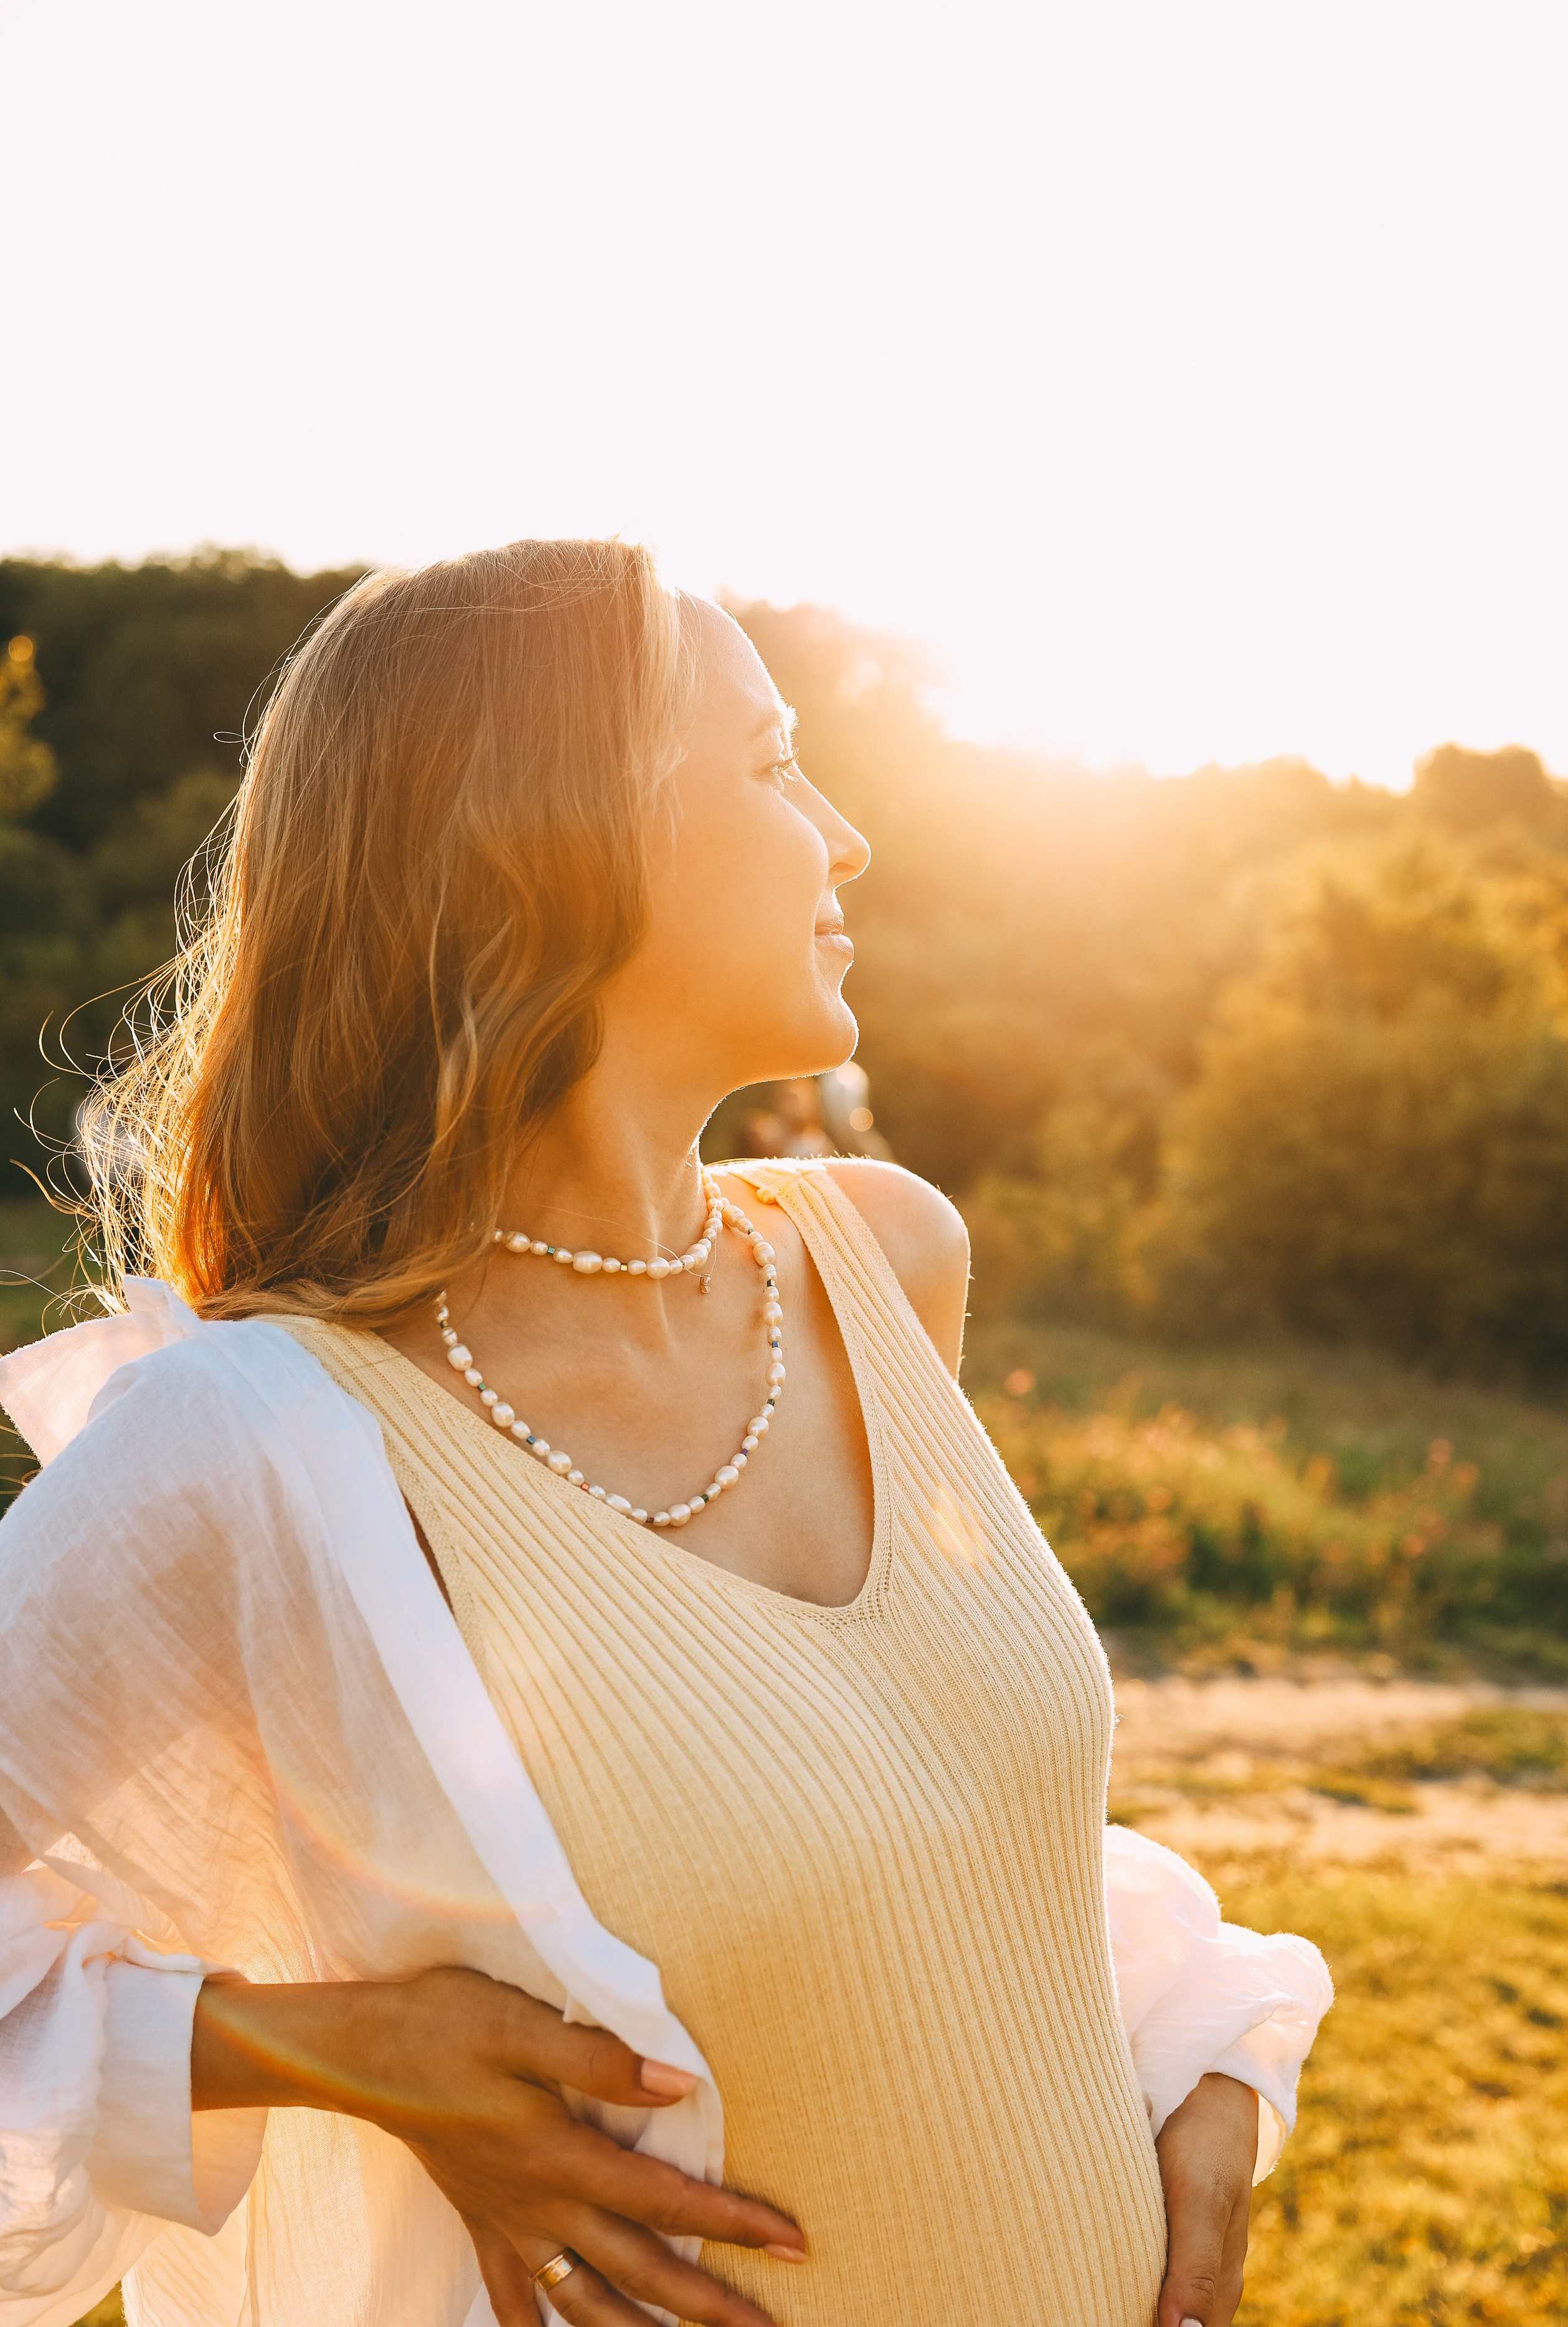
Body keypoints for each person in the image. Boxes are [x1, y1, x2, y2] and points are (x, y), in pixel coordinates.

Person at [0, 540, 1330, 2327]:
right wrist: (329, 2051)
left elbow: (930, 1848)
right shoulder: (256, 1438)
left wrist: (1216, 2072)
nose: (847, 836)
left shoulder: (885, 1257)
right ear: (548, 841)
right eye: (775, 765)